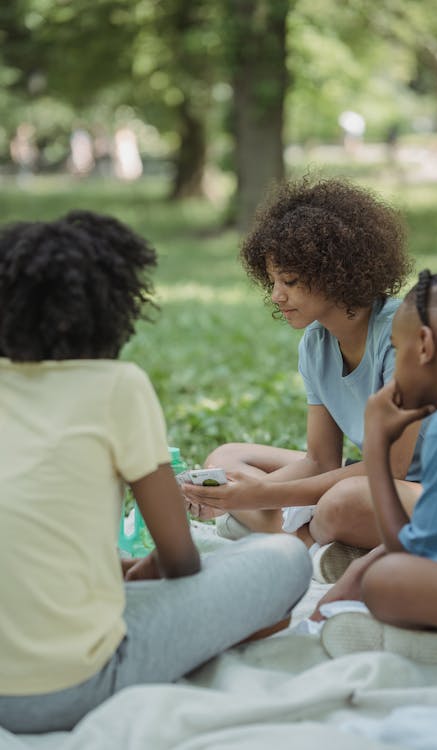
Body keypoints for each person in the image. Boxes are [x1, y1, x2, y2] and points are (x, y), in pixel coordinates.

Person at [0, 211, 312, 734]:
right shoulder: (115, 386)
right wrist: (141, 571)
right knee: (284, 557)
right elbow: (181, 560)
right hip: (67, 688)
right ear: (113, 308)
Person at [183, 177, 426, 560]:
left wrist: (260, 496)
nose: (277, 295)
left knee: (341, 502)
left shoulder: (402, 334)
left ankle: (298, 538)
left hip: (430, 487)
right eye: (274, 281)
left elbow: (392, 469)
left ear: (337, 272)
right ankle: (318, 546)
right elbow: (319, 460)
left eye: (290, 281)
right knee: (226, 461)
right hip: (372, 481)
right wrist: (231, 494)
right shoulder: (315, 344)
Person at [312, 270, 437, 666]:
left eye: (396, 348)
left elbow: (411, 556)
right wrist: (359, 568)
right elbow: (429, 539)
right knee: (380, 571)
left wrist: (377, 448)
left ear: (425, 346)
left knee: (390, 581)